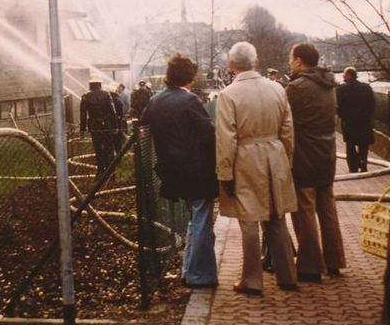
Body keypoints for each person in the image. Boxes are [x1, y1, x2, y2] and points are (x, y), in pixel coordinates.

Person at [216, 41, 298, 295]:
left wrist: (225, 172)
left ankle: (252, 280)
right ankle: (288, 275)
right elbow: (288, 129)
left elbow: (226, 137)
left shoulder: (228, 94)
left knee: (249, 218)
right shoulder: (277, 89)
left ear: (231, 65)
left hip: (245, 158)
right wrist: (286, 160)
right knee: (276, 215)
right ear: (256, 61)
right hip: (275, 154)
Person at [141, 53, 218, 288]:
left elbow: (144, 127)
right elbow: (208, 134)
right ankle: (198, 274)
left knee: (195, 221)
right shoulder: (190, 101)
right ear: (190, 77)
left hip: (172, 172)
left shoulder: (155, 101)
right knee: (201, 221)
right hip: (196, 172)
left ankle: (189, 269)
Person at [286, 43, 346, 281]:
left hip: (304, 155)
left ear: (299, 60)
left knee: (305, 210)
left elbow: (283, 119)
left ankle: (310, 265)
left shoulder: (296, 88)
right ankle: (335, 261)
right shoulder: (329, 84)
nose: (290, 63)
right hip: (327, 154)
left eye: (291, 59)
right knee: (328, 208)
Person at [337, 66, 376, 173]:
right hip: (364, 121)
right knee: (363, 145)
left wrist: (343, 117)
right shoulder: (366, 87)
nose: (343, 76)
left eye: (344, 74)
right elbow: (372, 104)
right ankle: (363, 163)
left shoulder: (341, 89)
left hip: (349, 122)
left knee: (350, 145)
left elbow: (338, 106)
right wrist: (367, 116)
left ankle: (353, 167)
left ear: (349, 75)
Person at [80, 77, 119, 175]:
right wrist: (115, 126)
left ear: (90, 85)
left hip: (94, 127)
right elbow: (112, 111)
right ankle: (111, 172)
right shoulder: (107, 94)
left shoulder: (85, 96)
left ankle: (101, 171)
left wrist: (82, 130)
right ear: (100, 84)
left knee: (98, 149)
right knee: (109, 148)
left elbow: (83, 114)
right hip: (107, 125)